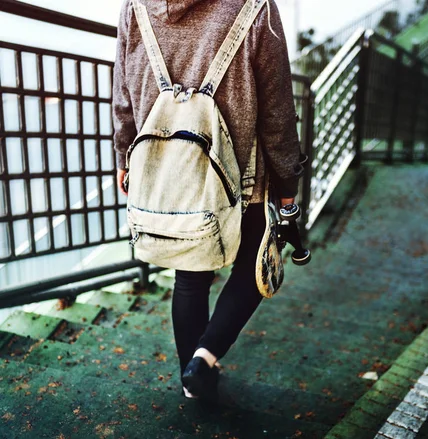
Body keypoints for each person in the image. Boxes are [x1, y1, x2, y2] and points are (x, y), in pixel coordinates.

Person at [112, 0, 303, 401]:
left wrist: (124, 154)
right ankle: (204, 357)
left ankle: (192, 384)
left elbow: (123, 93)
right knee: (256, 260)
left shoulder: (136, 6)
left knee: (190, 275)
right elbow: (277, 108)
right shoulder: (255, 8)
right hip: (238, 174)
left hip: (168, 172)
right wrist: (287, 180)